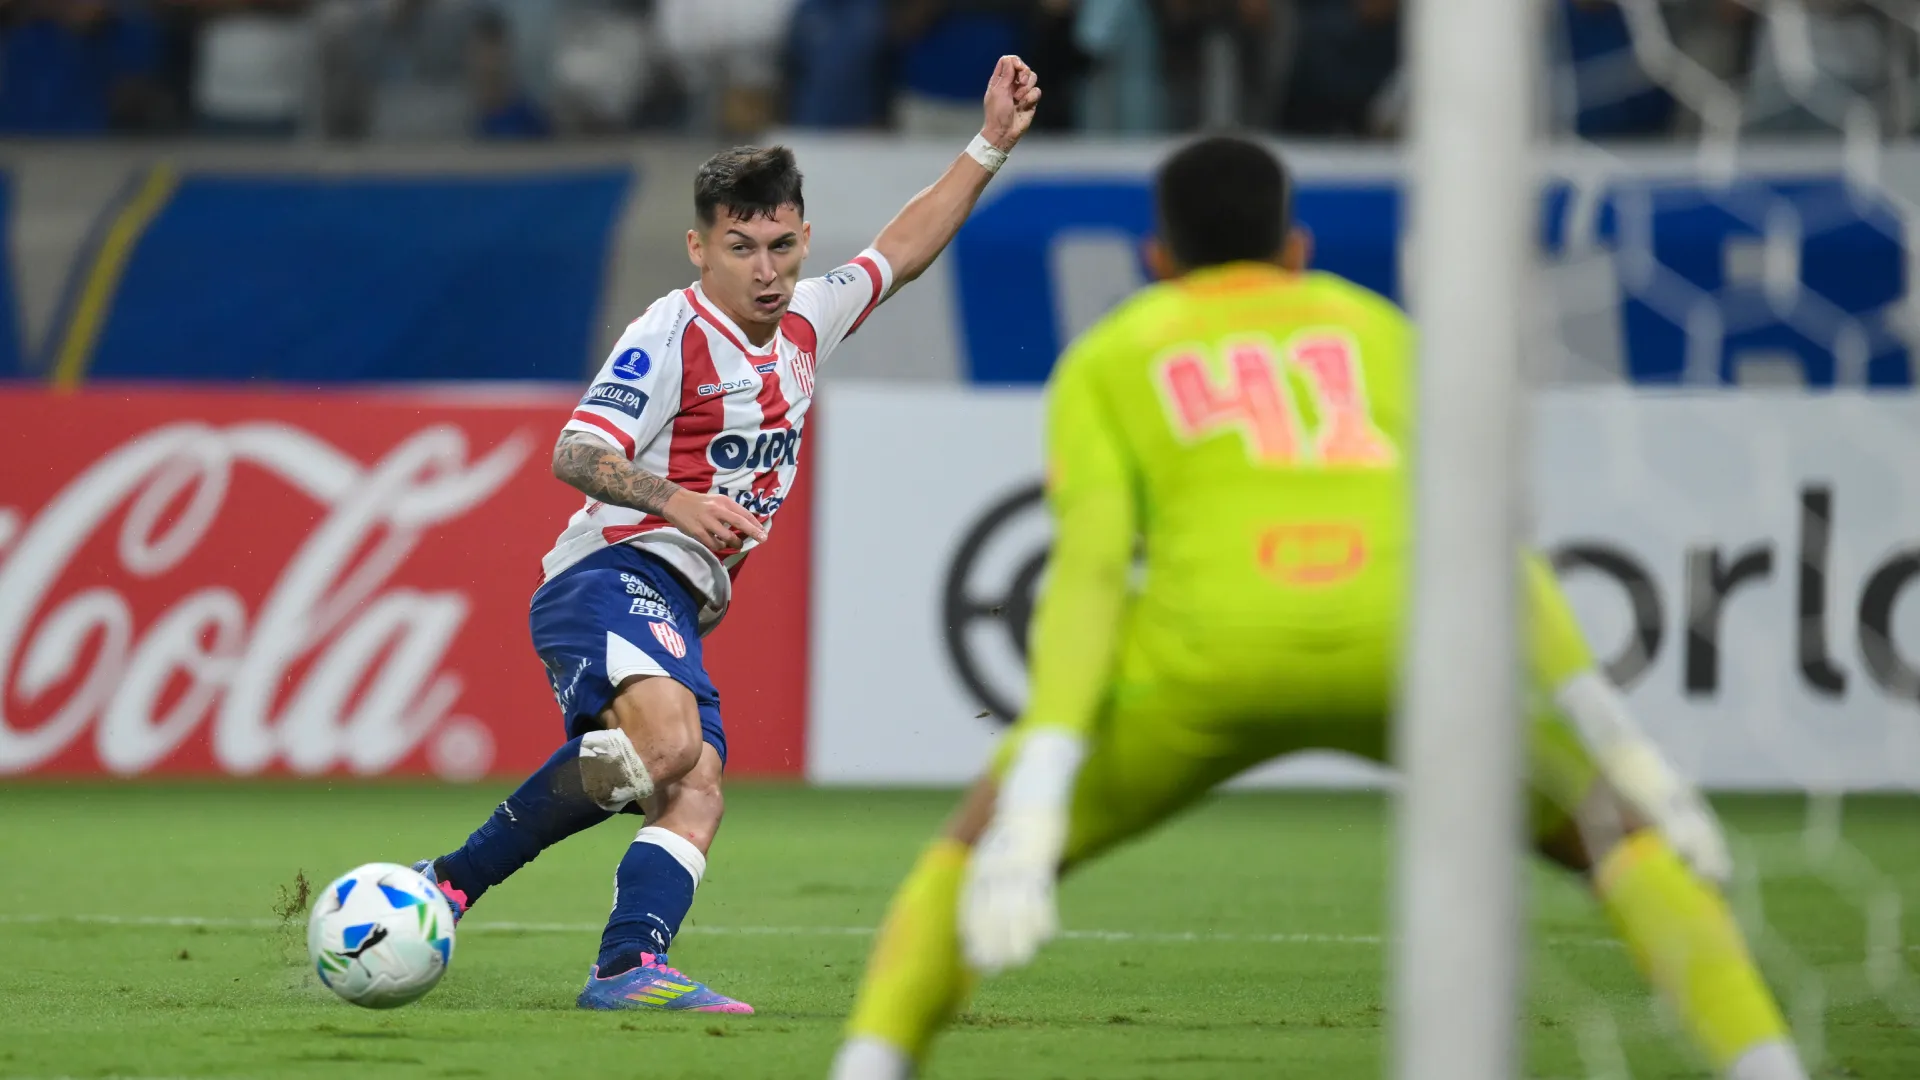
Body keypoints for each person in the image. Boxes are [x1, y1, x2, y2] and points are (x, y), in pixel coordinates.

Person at [829, 135, 1809, 1080]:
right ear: (1296, 249)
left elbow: (1087, 574)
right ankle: (1767, 1064)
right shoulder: (1380, 329)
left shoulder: (1111, 356)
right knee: (1617, 840)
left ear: (1156, 258)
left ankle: (869, 1065)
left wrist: (1043, 771)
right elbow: (1489, 545)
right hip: (1406, 652)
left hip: (1203, 665)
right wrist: (1611, 733)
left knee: (967, 847)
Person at [411, 56, 1043, 1014]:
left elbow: (902, 248)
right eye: (742, 247)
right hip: (610, 571)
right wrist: (673, 501)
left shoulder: (806, 321)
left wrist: (989, 143)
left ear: (801, 239)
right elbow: (577, 453)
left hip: (675, 597)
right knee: (671, 749)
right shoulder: (668, 332)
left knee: (696, 785)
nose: (767, 271)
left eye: (782, 247)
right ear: (699, 248)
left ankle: (627, 968)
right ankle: (447, 884)